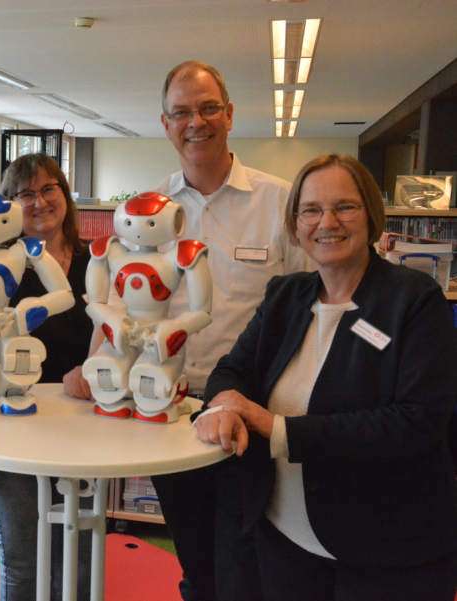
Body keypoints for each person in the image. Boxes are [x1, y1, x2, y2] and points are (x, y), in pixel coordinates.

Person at [195, 154, 457, 601]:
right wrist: (222, 405)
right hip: (285, 541)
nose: (327, 222)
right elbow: (232, 370)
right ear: (296, 225)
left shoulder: (414, 300)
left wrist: (275, 428)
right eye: (311, 210)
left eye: (344, 207)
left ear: (370, 215)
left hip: (385, 553)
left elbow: (417, 422)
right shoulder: (286, 294)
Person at [148, 60, 309, 601]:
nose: (197, 122)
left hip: (252, 416)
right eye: (182, 112)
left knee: (249, 564)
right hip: (173, 413)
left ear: (230, 114)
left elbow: (312, 307)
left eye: (209, 107)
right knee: (194, 559)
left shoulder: (280, 202)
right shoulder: (148, 214)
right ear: (165, 123)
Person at [0, 153, 94, 600]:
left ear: (64, 194)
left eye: (49, 189)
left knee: (77, 562)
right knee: (23, 563)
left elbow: (114, 337)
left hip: (81, 434)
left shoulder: (92, 263)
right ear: (9, 206)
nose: (39, 201)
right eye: (25, 194)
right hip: (9, 432)